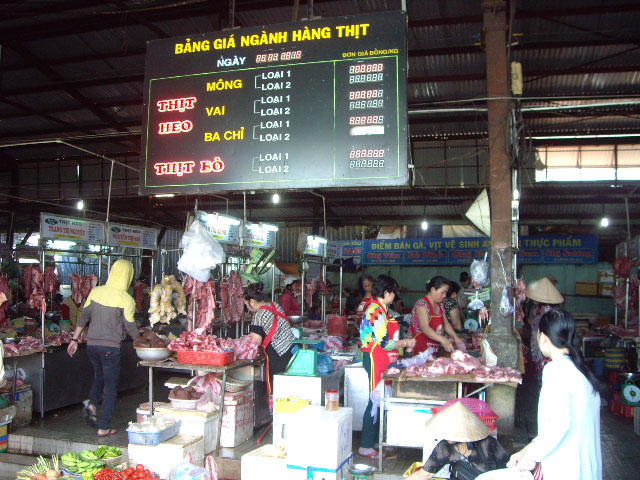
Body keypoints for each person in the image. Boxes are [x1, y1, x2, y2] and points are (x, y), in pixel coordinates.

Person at [507, 308, 602, 480]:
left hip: (566, 468)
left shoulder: (555, 370)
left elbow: (559, 425)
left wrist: (532, 457)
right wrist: (525, 451)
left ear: (543, 337)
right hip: (584, 467)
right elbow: (553, 427)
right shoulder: (581, 370)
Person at [67, 259, 139, 437]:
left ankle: (92, 404)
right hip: (110, 348)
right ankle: (104, 427)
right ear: (128, 275)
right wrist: (140, 342)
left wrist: (74, 339)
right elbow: (130, 326)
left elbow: (83, 316)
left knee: (99, 376)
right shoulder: (126, 299)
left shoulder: (96, 291)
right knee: (111, 387)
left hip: (91, 345)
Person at [358, 275, 416, 458]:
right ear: (385, 292)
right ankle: (365, 446)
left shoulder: (384, 311)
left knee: (381, 400)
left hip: (383, 359)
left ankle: (376, 441)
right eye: (393, 293)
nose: (394, 296)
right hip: (374, 358)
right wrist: (406, 343)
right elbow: (384, 343)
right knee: (374, 400)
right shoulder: (375, 311)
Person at [405, 402, 509, 480]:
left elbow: (508, 470)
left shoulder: (488, 443)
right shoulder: (444, 447)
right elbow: (424, 474)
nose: (446, 435)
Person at [244, 282, 295, 392]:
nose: (247, 308)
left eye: (247, 304)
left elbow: (256, 341)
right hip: (291, 350)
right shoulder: (275, 305)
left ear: (252, 302)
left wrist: (243, 341)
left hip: (277, 356)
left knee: (277, 388)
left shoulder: (259, 315)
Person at [523, 277, 564, 384]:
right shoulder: (537, 308)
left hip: (545, 340)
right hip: (536, 339)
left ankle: (542, 383)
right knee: (538, 362)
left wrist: (529, 320)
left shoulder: (547, 310)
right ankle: (540, 382)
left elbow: (536, 322)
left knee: (544, 363)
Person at [410, 276, 464, 356]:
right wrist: (444, 340)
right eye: (442, 292)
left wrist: (455, 337)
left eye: (446, 293)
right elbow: (425, 328)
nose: (444, 295)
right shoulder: (422, 305)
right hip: (420, 349)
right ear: (433, 289)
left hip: (433, 348)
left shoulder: (440, 304)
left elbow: (446, 323)